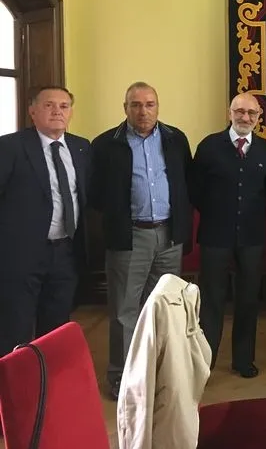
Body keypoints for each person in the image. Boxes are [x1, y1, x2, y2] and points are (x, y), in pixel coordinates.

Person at [90, 81, 193, 399]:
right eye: (135, 105)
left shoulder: (176, 139)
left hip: (168, 235)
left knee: (162, 307)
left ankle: (157, 370)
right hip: (130, 236)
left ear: (158, 107)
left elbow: (186, 184)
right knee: (124, 311)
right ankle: (121, 376)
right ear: (125, 109)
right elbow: (95, 194)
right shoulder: (107, 143)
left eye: (149, 104)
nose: (143, 111)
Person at [191, 93, 266, 378]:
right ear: (230, 113)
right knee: (212, 301)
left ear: (258, 118)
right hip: (215, 235)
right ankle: (206, 361)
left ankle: (243, 360)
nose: (245, 118)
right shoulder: (209, 147)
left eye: (252, 113)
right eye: (240, 111)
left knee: (248, 300)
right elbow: (196, 191)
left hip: (252, 237)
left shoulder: (265, 150)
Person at [0, 86, 90, 357]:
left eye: (64, 106)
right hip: (21, 255)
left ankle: (46, 389)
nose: (57, 111)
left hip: (65, 253)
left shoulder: (81, 147)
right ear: (32, 111)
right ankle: (10, 393)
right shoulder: (9, 147)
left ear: (71, 112)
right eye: (49, 105)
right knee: (15, 328)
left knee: (55, 330)